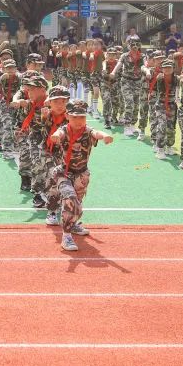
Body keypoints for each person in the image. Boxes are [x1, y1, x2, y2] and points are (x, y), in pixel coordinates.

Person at [44, 100, 113, 252]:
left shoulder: (88, 131)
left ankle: (73, 224)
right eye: (74, 117)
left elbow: (96, 133)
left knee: (78, 204)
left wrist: (105, 135)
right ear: (67, 116)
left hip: (81, 174)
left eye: (82, 117)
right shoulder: (64, 130)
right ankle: (66, 236)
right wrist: (55, 137)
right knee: (71, 201)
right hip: (64, 173)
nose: (78, 121)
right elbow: (58, 133)